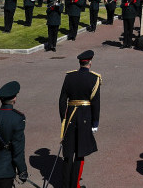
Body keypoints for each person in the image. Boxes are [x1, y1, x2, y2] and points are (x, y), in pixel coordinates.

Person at [58, 50, 101, 188]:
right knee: (80, 153)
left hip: (69, 117)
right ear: (90, 62)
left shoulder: (69, 77)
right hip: (84, 118)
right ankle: (74, 185)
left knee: (68, 154)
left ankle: (65, 185)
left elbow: (62, 100)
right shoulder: (94, 78)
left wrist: (63, 118)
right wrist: (95, 122)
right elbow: (96, 103)